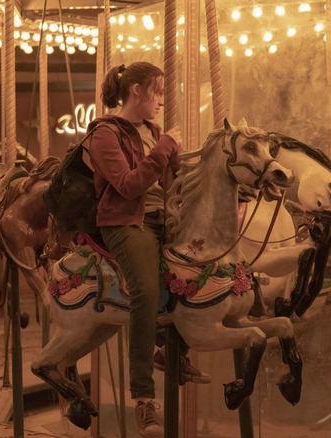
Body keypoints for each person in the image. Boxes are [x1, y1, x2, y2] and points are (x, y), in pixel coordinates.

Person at [86, 61, 209, 438]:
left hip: (163, 218)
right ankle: (143, 398)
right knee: (145, 290)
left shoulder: (154, 131)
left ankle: (169, 348)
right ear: (136, 90)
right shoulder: (104, 134)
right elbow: (127, 185)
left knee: (204, 272)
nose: (160, 100)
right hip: (125, 222)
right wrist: (165, 148)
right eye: (156, 91)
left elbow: (172, 180)